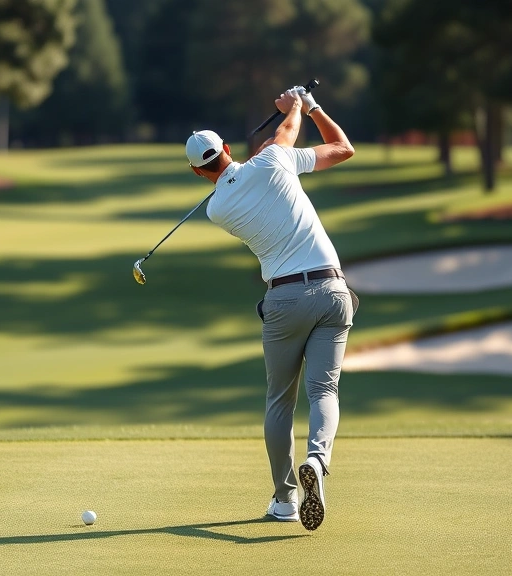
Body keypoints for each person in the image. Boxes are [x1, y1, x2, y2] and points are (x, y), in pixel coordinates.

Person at [186, 86, 357, 531]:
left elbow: (275, 141)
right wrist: (303, 105)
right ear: (225, 147)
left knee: (280, 402)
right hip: (333, 289)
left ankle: (285, 501)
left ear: (196, 171)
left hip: (283, 299)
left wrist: (284, 123)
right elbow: (340, 148)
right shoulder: (273, 159)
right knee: (324, 391)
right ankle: (318, 462)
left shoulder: (217, 208)